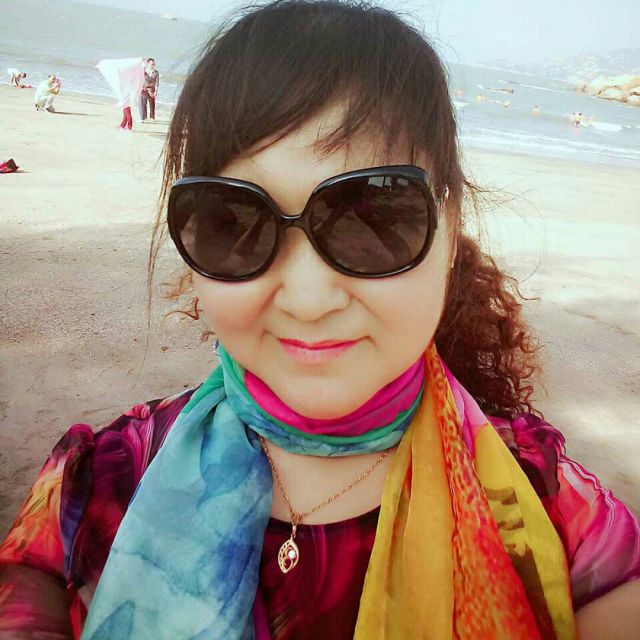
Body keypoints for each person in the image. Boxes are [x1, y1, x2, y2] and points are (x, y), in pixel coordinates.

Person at [1, 2, 639, 638]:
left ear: (449, 231)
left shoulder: (556, 515)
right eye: (234, 220)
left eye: (373, 216)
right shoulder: (96, 485)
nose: (308, 299)